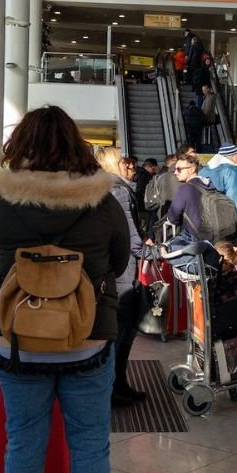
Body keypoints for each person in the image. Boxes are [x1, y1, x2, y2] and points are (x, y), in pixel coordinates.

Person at [0, 107, 137, 473]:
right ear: (76, 145)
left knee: (23, 445)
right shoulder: (103, 201)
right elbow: (120, 259)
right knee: (90, 445)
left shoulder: (1, 203)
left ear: (19, 145)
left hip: (19, 340)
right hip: (86, 338)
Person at [96, 147, 148, 407]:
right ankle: (116, 386)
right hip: (125, 267)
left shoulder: (103, 187)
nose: (129, 165)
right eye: (123, 161)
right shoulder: (118, 190)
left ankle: (117, 384)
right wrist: (150, 251)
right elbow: (129, 235)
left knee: (117, 328)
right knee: (123, 328)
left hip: (110, 264)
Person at [166, 152, 214, 240]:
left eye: (179, 169)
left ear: (192, 169)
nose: (175, 172)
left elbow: (172, 218)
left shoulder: (185, 189)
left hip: (192, 239)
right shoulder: (210, 185)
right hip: (213, 237)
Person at [202, 143, 237, 226]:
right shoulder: (232, 171)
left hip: (206, 218)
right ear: (232, 156)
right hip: (225, 219)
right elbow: (234, 196)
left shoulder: (204, 171)